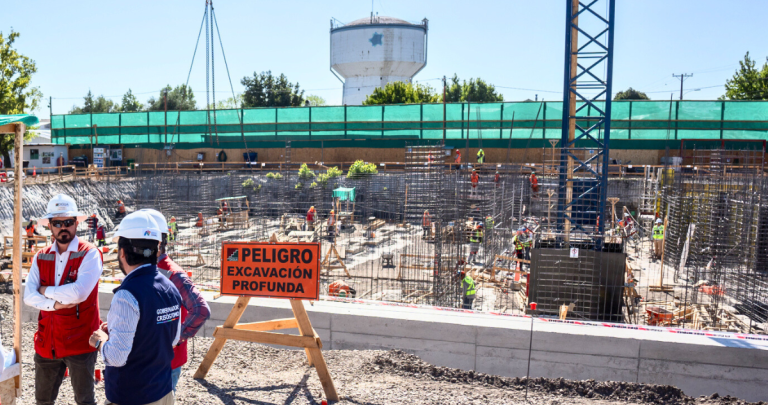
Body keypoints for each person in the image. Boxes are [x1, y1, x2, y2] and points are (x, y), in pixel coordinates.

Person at [89, 211, 181, 405]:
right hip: (163, 392)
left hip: (131, 395)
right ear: (156, 249)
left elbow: (116, 357)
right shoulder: (170, 287)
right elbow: (172, 338)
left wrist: (101, 341)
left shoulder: (127, 295)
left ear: (122, 252)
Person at [24, 194, 103, 405]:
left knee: (85, 401)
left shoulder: (90, 253)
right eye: (57, 223)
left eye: (68, 222)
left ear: (76, 223)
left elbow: (79, 293)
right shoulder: (41, 256)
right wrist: (54, 304)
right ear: (50, 226)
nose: (63, 227)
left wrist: (44, 289)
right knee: (43, 401)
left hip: (80, 343)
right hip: (47, 343)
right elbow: (28, 296)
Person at [140, 209, 210, 393]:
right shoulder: (145, 268)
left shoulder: (172, 273)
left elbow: (200, 310)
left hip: (164, 363)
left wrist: (175, 339)